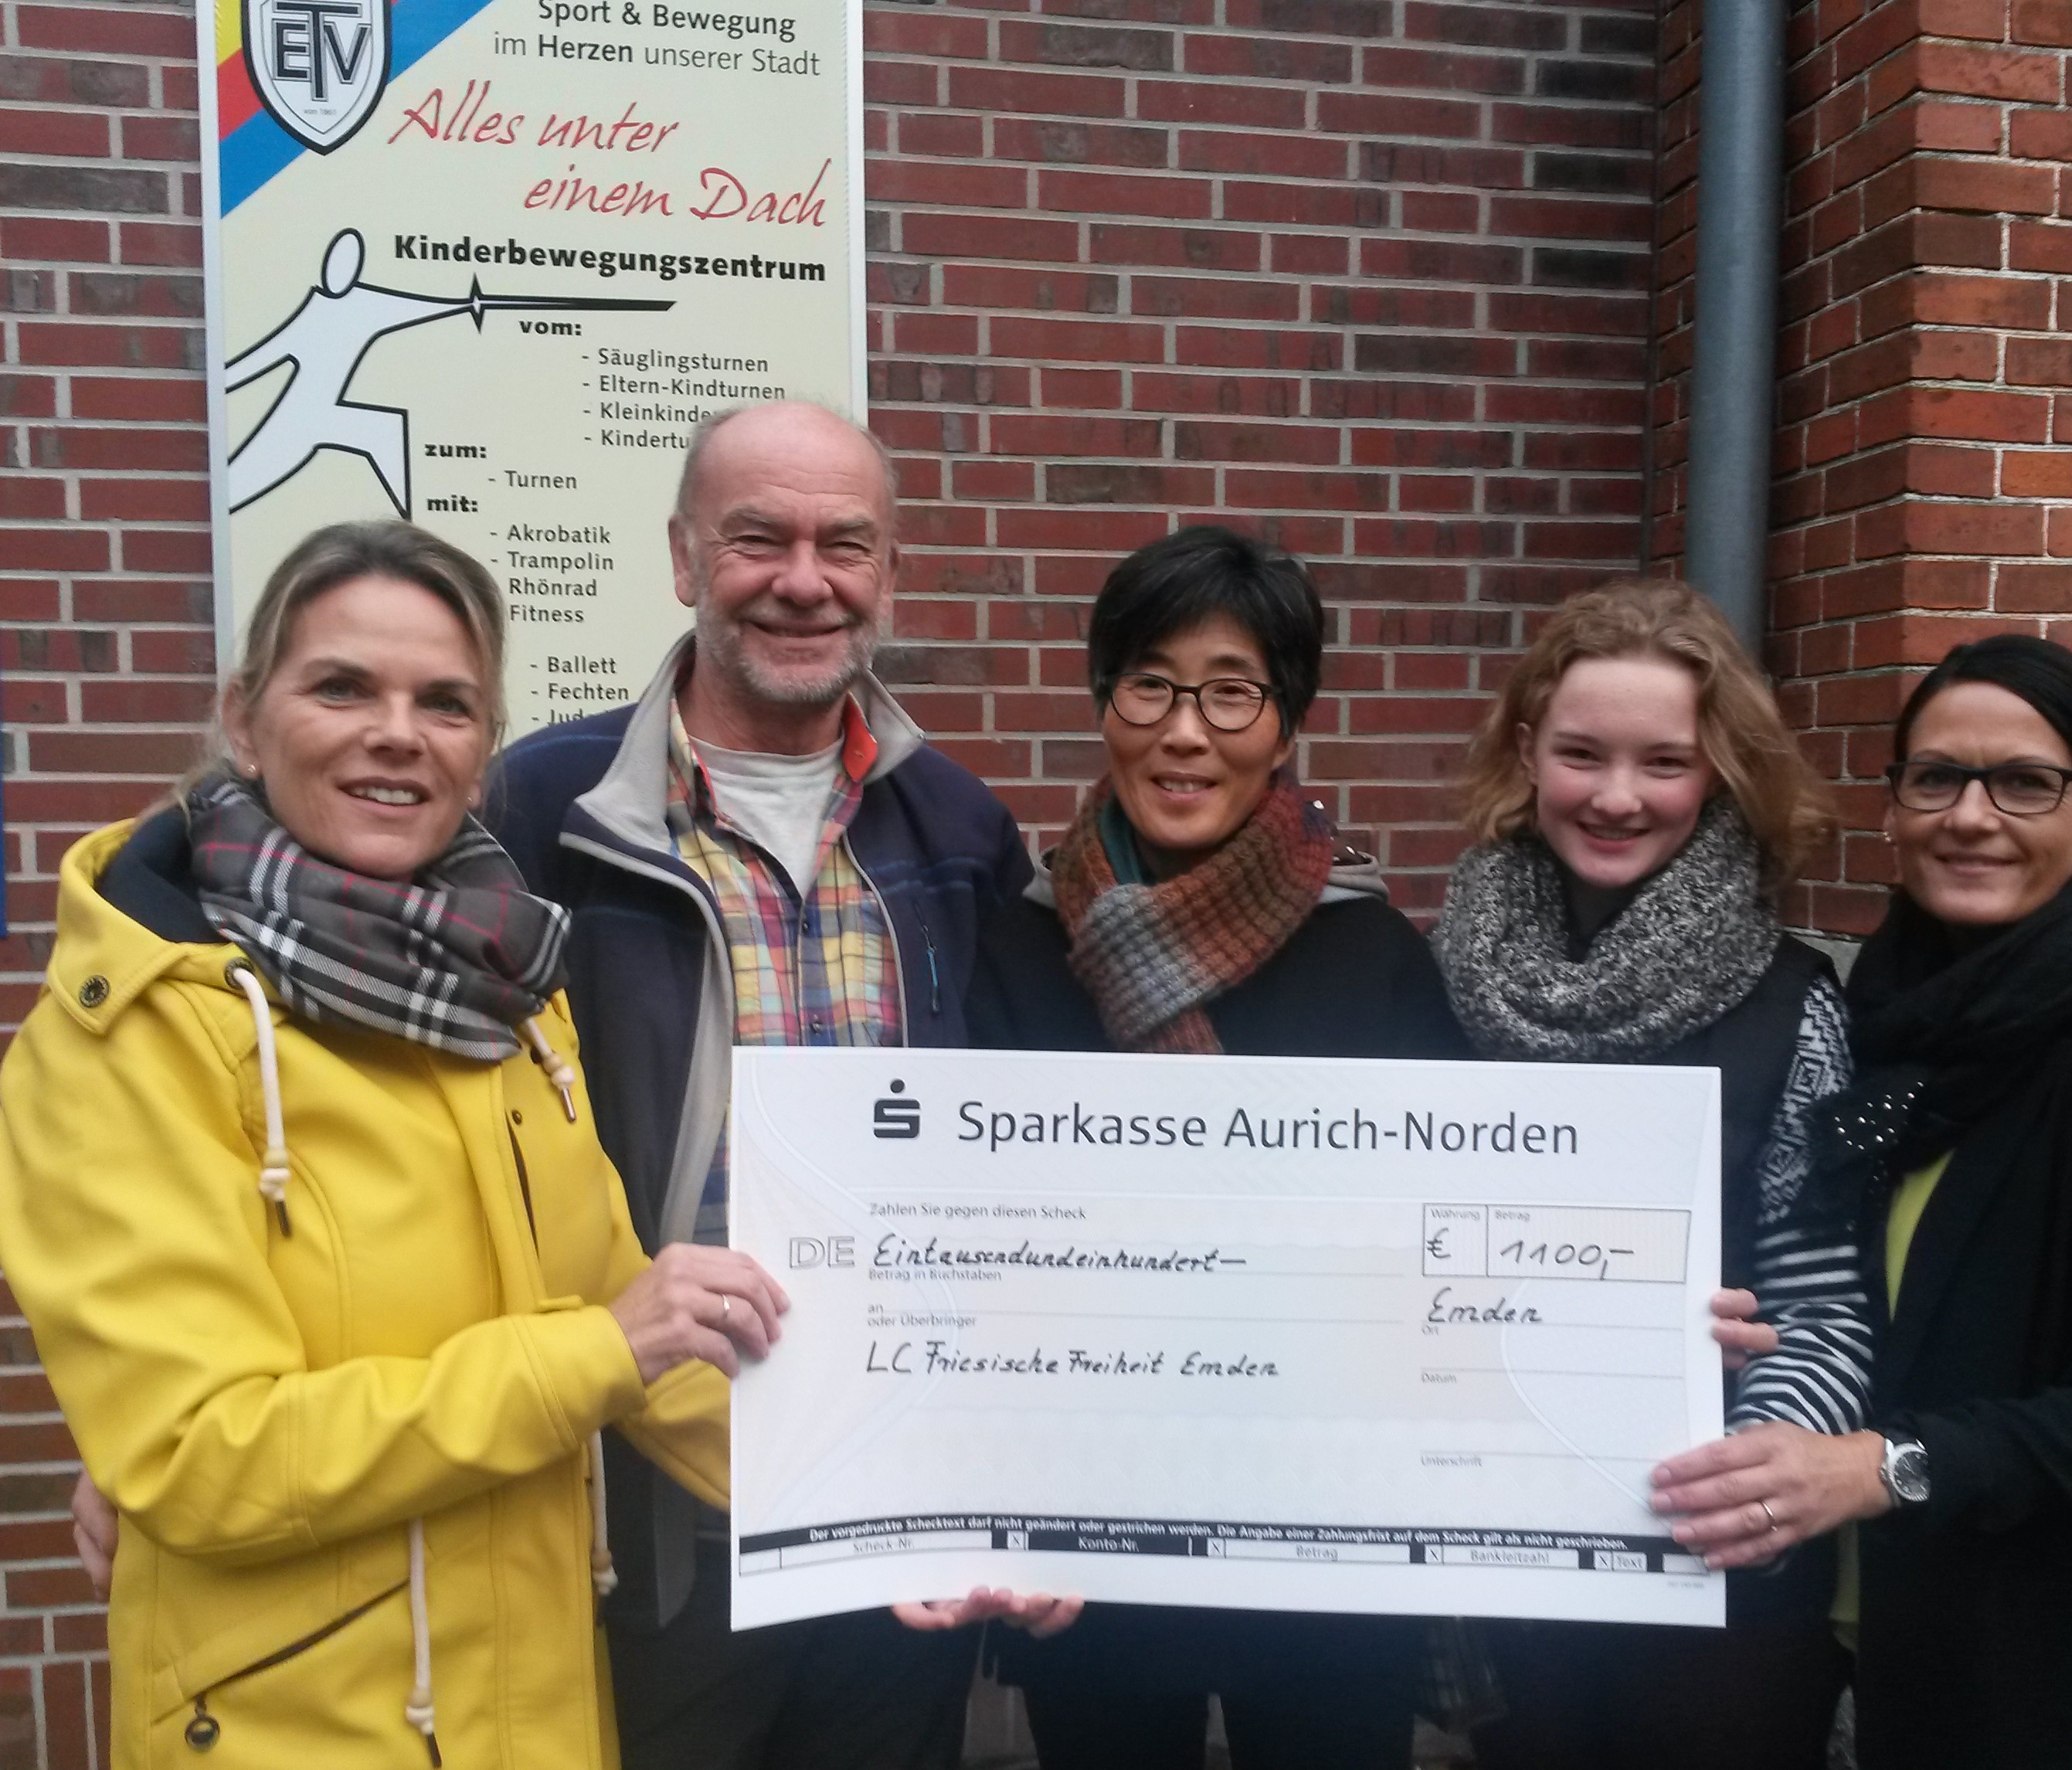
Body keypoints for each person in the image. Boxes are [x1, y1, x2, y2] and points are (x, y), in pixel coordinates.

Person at [0, 520, 785, 1768]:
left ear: (482, 757)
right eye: (341, 687)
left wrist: (902, 1523)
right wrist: (591, 1356)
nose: (397, 732)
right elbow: (206, 1456)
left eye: (446, 702)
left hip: (532, 1716)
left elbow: (638, 1328)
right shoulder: (128, 1042)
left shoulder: (509, 999)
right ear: (244, 720)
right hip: (290, 1733)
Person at [489, 400, 1062, 1770]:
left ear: (888, 575)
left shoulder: (960, 831)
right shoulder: (537, 816)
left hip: (887, 1493)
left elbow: (1041, 1149)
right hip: (652, 1507)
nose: (803, 580)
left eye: (842, 544)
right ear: (685, 559)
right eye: (758, 538)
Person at [1650, 634, 2072, 1769]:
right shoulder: (1889, 1027)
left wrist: (1873, 1464)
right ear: (1893, 806)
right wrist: (1738, 1329)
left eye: (2025, 782)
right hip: (1919, 1647)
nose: (1969, 814)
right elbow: (1858, 1287)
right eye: (1934, 777)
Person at [964, 525, 1472, 1770]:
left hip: (1323, 1530)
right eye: (1149, 683)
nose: (1184, 731)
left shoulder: (1376, 959)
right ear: (1102, 701)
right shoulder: (1014, 948)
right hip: (1091, 1524)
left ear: (1285, 724)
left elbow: (1451, 1236)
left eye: (1231, 691)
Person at [1432, 578, 1870, 1770]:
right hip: (1505, 1563)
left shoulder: (1796, 1005)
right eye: (1580, 754)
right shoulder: (1440, 986)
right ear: (1527, 753)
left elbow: (1827, 1295)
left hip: (1712, 1580)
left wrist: (1757, 1471)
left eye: (1663, 763)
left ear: (1719, 771)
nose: (1615, 797)